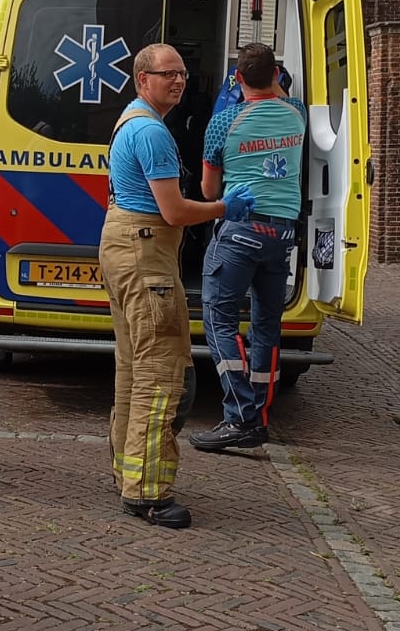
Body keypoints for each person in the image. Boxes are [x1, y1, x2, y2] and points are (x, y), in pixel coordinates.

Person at [100, 43, 256, 530]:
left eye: (183, 74)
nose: (179, 81)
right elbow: (173, 211)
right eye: (168, 74)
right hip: (146, 252)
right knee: (162, 373)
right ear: (141, 79)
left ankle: (128, 473)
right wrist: (223, 208)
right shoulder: (152, 133)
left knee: (133, 367)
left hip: (126, 245)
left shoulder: (132, 121)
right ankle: (147, 492)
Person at [190, 43, 307, 452]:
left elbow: (208, 191)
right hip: (282, 235)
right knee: (266, 327)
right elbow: (278, 94)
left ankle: (240, 417)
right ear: (276, 75)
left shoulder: (224, 122)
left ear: (237, 80)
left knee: (219, 321)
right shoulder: (298, 114)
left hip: (240, 231)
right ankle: (258, 414)